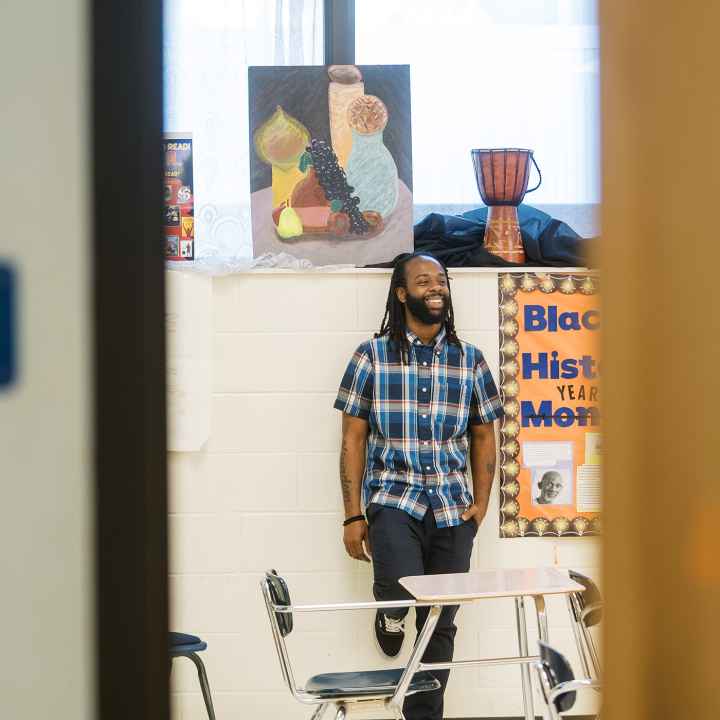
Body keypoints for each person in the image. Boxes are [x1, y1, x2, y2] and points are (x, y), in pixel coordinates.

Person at [334, 252, 503, 720]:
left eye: (442, 280)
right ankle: (390, 612)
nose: (436, 287)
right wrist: (352, 515)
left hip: (453, 508)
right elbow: (352, 437)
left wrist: (482, 503)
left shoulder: (471, 360)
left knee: (441, 621)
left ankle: (423, 715)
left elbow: (485, 434)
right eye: (424, 280)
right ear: (402, 293)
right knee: (396, 585)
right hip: (393, 499)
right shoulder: (371, 356)